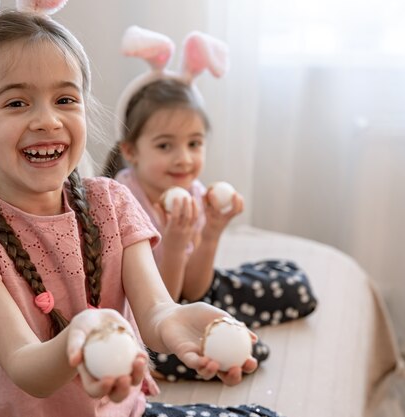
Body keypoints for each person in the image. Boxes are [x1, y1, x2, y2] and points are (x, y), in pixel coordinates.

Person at [0, 1, 282, 416]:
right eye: (17, 103)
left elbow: (156, 311)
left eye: (65, 99)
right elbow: (25, 365)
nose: (47, 120)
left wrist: (179, 322)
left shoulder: (112, 203)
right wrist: (81, 337)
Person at [103, 26, 318, 381]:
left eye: (194, 143)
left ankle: (229, 321)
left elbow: (196, 287)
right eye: (165, 145)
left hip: (191, 292)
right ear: (131, 151)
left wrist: (213, 232)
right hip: (151, 316)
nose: (183, 159)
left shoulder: (191, 192)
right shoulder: (123, 203)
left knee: (294, 281)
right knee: (247, 351)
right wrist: (172, 245)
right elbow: (165, 303)